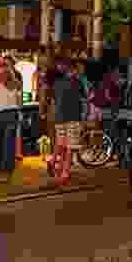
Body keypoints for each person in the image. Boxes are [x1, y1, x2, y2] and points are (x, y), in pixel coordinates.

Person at [52, 57, 83, 185]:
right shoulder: (78, 82)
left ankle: (58, 168)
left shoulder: (57, 83)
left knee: (62, 144)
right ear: (74, 69)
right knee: (70, 147)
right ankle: (65, 172)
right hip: (73, 117)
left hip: (59, 117)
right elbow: (86, 97)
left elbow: (55, 99)